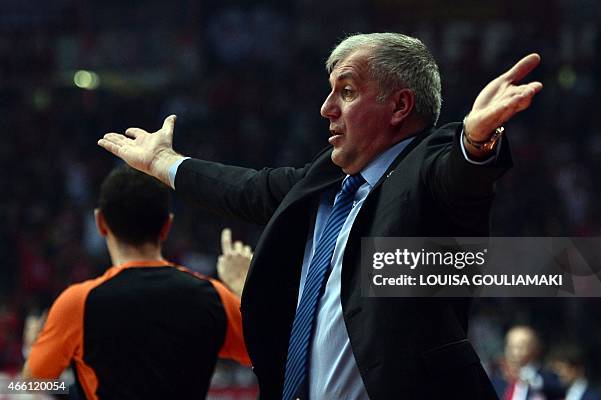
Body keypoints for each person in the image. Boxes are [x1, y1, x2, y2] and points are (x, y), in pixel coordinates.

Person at [98, 32, 543, 399]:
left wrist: (476, 140)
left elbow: (459, 175)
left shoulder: (425, 170)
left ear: (400, 107)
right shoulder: (323, 180)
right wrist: (162, 163)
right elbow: (247, 189)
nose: (326, 108)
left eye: (346, 92)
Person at [22, 165, 252, 399]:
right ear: (167, 226)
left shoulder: (76, 303)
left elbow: (32, 385)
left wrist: (34, 354)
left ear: (100, 222)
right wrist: (243, 288)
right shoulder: (213, 297)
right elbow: (273, 353)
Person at [493, 325, 564, 400]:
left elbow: (559, 390)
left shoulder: (546, 377)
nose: (514, 352)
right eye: (510, 347)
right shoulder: (497, 378)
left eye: (520, 347)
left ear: (535, 349)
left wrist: (530, 378)